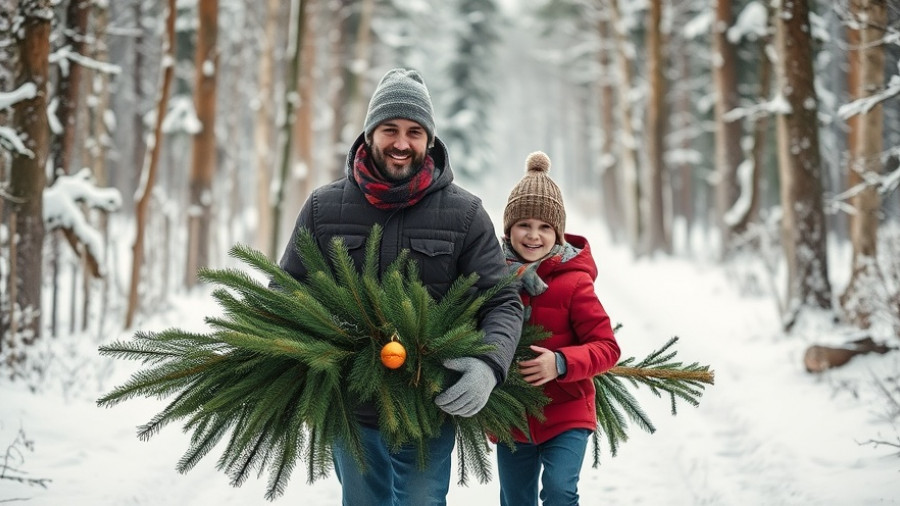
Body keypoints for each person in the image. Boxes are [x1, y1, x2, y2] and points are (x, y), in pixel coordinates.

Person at [276, 68, 524, 506]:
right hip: (350, 405)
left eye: (414, 131)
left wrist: (489, 365)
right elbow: (288, 291)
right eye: (390, 129)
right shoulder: (322, 207)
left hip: (430, 404)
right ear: (370, 133)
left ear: (430, 140)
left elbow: (502, 301)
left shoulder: (465, 214)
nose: (401, 143)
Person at [495, 151, 621, 506]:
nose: (534, 235)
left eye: (545, 227)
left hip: (567, 410)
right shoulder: (493, 279)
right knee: (515, 498)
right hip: (513, 413)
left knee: (560, 489)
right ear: (508, 229)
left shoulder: (574, 283)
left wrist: (561, 362)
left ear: (558, 233)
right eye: (524, 225)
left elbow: (607, 347)